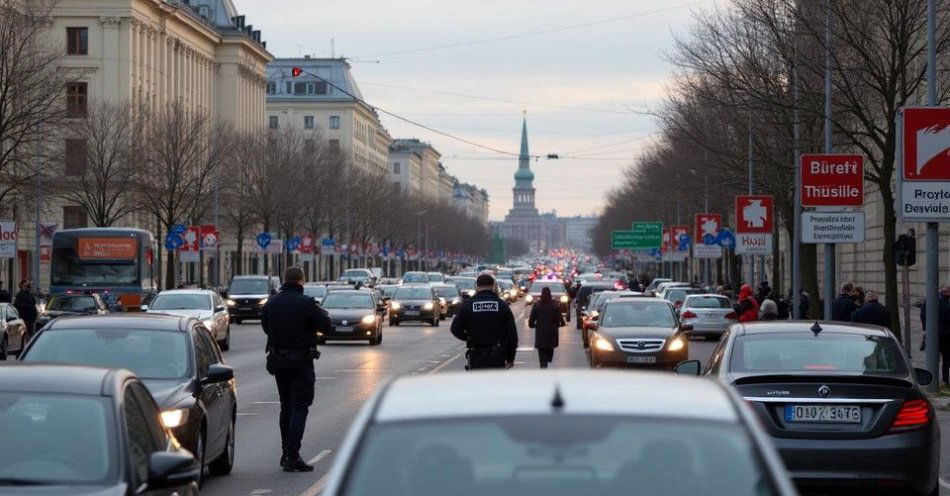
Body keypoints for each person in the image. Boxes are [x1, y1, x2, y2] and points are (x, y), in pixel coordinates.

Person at [261, 266, 332, 472]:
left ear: (284, 280)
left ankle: (285, 453)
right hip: (301, 361)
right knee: (300, 407)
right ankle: (293, 454)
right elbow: (325, 325)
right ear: (302, 281)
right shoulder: (306, 303)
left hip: (278, 360)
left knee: (286, 406)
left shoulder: (272, 302)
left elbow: (265, 326)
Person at [450, 273, 519, 370]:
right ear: (493, 286)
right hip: (497, 356)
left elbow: (455, 329)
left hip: (476, 354)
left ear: (477, 286)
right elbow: (512, 335)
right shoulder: (501, 305)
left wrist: (469, 338)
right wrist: (510, 358)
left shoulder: (468, 305)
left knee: (478, 384)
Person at [919, 285, 950, 384]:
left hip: (941, 333)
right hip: (940, 334)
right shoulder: (937, 301)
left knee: (942, 357)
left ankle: (940, 378)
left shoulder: (933, 300)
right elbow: (924, 315)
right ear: (945, 292)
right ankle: (938, 379)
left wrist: (925, 329)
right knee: (941, 357)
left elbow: (923, 314)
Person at [528, 287, 564, 368]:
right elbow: (561, 320)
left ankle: (544, 366)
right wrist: (559, 324)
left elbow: (531, 322)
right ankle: (545, 365)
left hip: (540, 337)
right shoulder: (555, 306)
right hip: (552, 337)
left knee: (542, 357)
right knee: (548, 354)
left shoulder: (536, 306)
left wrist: (534, 325)